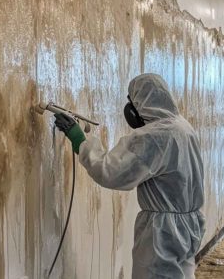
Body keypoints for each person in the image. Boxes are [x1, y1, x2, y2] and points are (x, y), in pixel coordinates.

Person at [54, 73, 205, 279]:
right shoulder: (182, 127)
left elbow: (112, 173)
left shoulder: (153, 136)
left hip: (162, 232)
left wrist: (82, 142)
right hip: (190, 223)